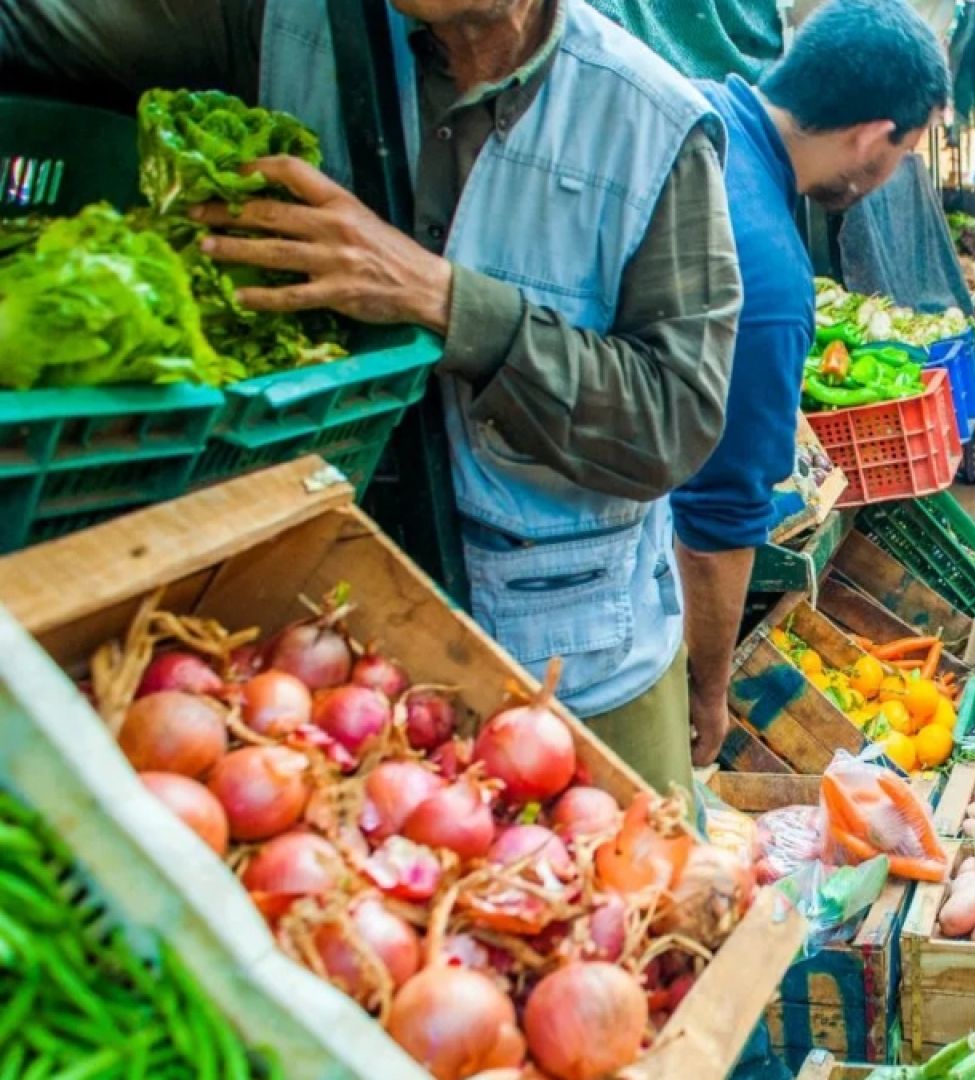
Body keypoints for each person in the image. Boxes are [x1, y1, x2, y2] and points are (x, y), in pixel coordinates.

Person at [0, 0, 743, 798]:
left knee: (612, 883)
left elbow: (673, 419)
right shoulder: (277, 20)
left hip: (570, 665)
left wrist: (445, 300)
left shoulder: (651, 121)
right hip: (308, 634)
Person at [669, 0, 950, 767]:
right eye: (904, 155)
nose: (889, 178)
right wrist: (708, 691)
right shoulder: (764, 271)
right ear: (870, 135)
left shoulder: (695, 106)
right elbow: (716, 525)